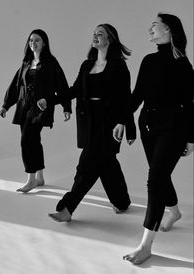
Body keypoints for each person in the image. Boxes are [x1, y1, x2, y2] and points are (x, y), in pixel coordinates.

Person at [114, 13, 194, 265]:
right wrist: (122, 119)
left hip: (174, 128)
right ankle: (175, 211)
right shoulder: (149, 60)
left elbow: (190, 104)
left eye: (154, 26)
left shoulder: (183, 65)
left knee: (155, 178)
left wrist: (191, 137)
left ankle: (145, 244)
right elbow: (137, 94)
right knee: (158, 175)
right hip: (148, 126)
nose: (149, 29)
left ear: (168, 30)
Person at [48, 23, 136, 222]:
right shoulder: (87, 65)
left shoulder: (119, 66)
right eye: (94, 33)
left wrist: (127, 126)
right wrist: (52, 99)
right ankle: (122, 201)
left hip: (110, 123)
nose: (95, 36)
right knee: (107, 164)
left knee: (86, 165)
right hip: (89, 122)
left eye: (100, 34)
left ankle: (67, 208)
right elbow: (75, 90)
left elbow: (125, 98)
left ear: (109, 39)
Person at [0, 29, 71, 192]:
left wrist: (66, 107)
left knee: (27, 139)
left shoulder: (51, 63)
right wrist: (6, 105)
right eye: (31, 40)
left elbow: (62, 84)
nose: (33, 43)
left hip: (40, 107)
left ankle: (30, 178)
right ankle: (39, 177)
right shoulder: (26, 62)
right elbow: (15, 85)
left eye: (37, 40)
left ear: (44, 43)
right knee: (33, 140)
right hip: (23, 106)